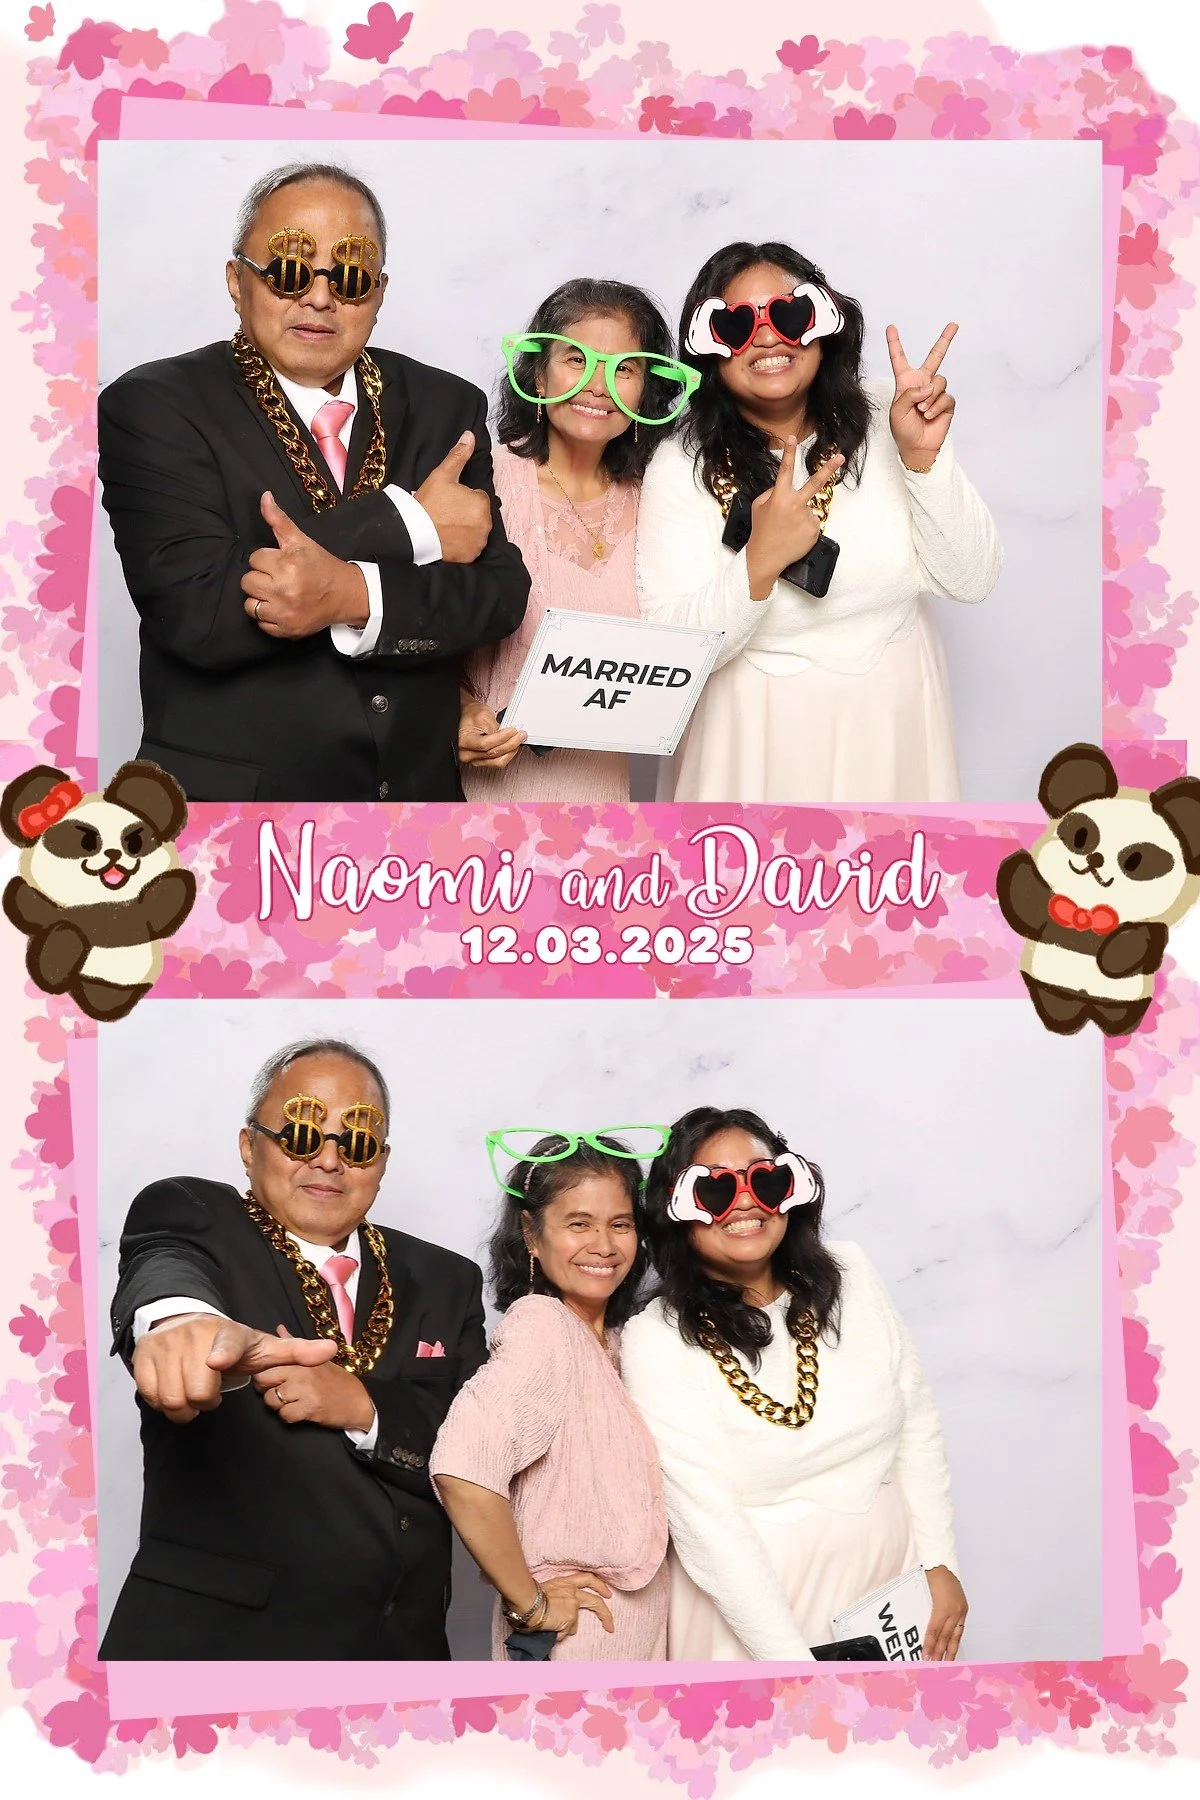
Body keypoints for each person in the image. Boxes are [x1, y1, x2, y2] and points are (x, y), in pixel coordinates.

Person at [98, 161, 530, 802]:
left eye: (350, 276)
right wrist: (409, 525)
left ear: (378, 293)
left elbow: (496, 597)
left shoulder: (445, 405)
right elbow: (200, 615)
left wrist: (347, 592)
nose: (319, 297)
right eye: (289, 270)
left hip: (416, 808)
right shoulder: (155, 405)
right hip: (241, 811)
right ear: (236, 280)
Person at [100, 1039, 487, 1660]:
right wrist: (179, 1322)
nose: (329, 1160)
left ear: (381, 1162)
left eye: (356, 1142)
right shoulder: (197, 1214)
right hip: (220, 1655)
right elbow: (166, 1267)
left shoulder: (447, 1278)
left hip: (401, 1656)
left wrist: (366, 1407)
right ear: (250, 1147)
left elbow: (484, 1445)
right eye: (302, 1133)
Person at [635, 240, 1003, 803]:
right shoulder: (681, 462)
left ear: (824, 322)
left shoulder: (894, 413)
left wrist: (922, 461)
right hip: (749, 736)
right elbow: (672, 651)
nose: (766, 337)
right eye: (735, 326)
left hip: (892, 718)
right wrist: (759, 562)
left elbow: (971, 579)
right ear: (707, 349)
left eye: (787, 314)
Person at [620, 1106, 968, 1663]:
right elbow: (704, 1521)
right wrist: (789, 1663)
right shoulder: (656, 1340)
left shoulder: (850, 1275)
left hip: (894, 1585)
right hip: (758, 1618)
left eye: (766, 1179)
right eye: (713, 1190)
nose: (746, 1202)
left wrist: (939, 1562)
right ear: (673, 1210)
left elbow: (917, 1423)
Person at [429, 1130, 669, 1659]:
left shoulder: (622, 1341)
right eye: (578, 1224)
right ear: (531, 1235)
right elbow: (462, 1467)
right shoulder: (544, 1326)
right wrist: (532, 1604)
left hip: (639, 1635)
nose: (603, 1245)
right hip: (578, 1639)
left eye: (620, 1224)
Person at [457, 280, 697, 802]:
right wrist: (455, 710)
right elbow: (419, 621)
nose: (597, 384)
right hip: (483, 803)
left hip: (607, 811)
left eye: (624, 368)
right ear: (538, 376)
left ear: (647, 391)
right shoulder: (483, 480)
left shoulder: (664, 500)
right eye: (576, 359)